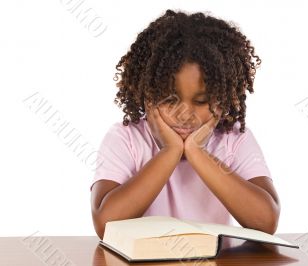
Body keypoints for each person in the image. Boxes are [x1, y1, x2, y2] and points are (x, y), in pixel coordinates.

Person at [90, 9, 280, 239]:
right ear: (148, 96)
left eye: (201, 101)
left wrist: (196, 152)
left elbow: (266, 220)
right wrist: (171, 151)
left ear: (223, 99)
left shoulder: (234, 140)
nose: (185, 114)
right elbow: (105, 224)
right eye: (170, 99)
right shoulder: (126, 139)